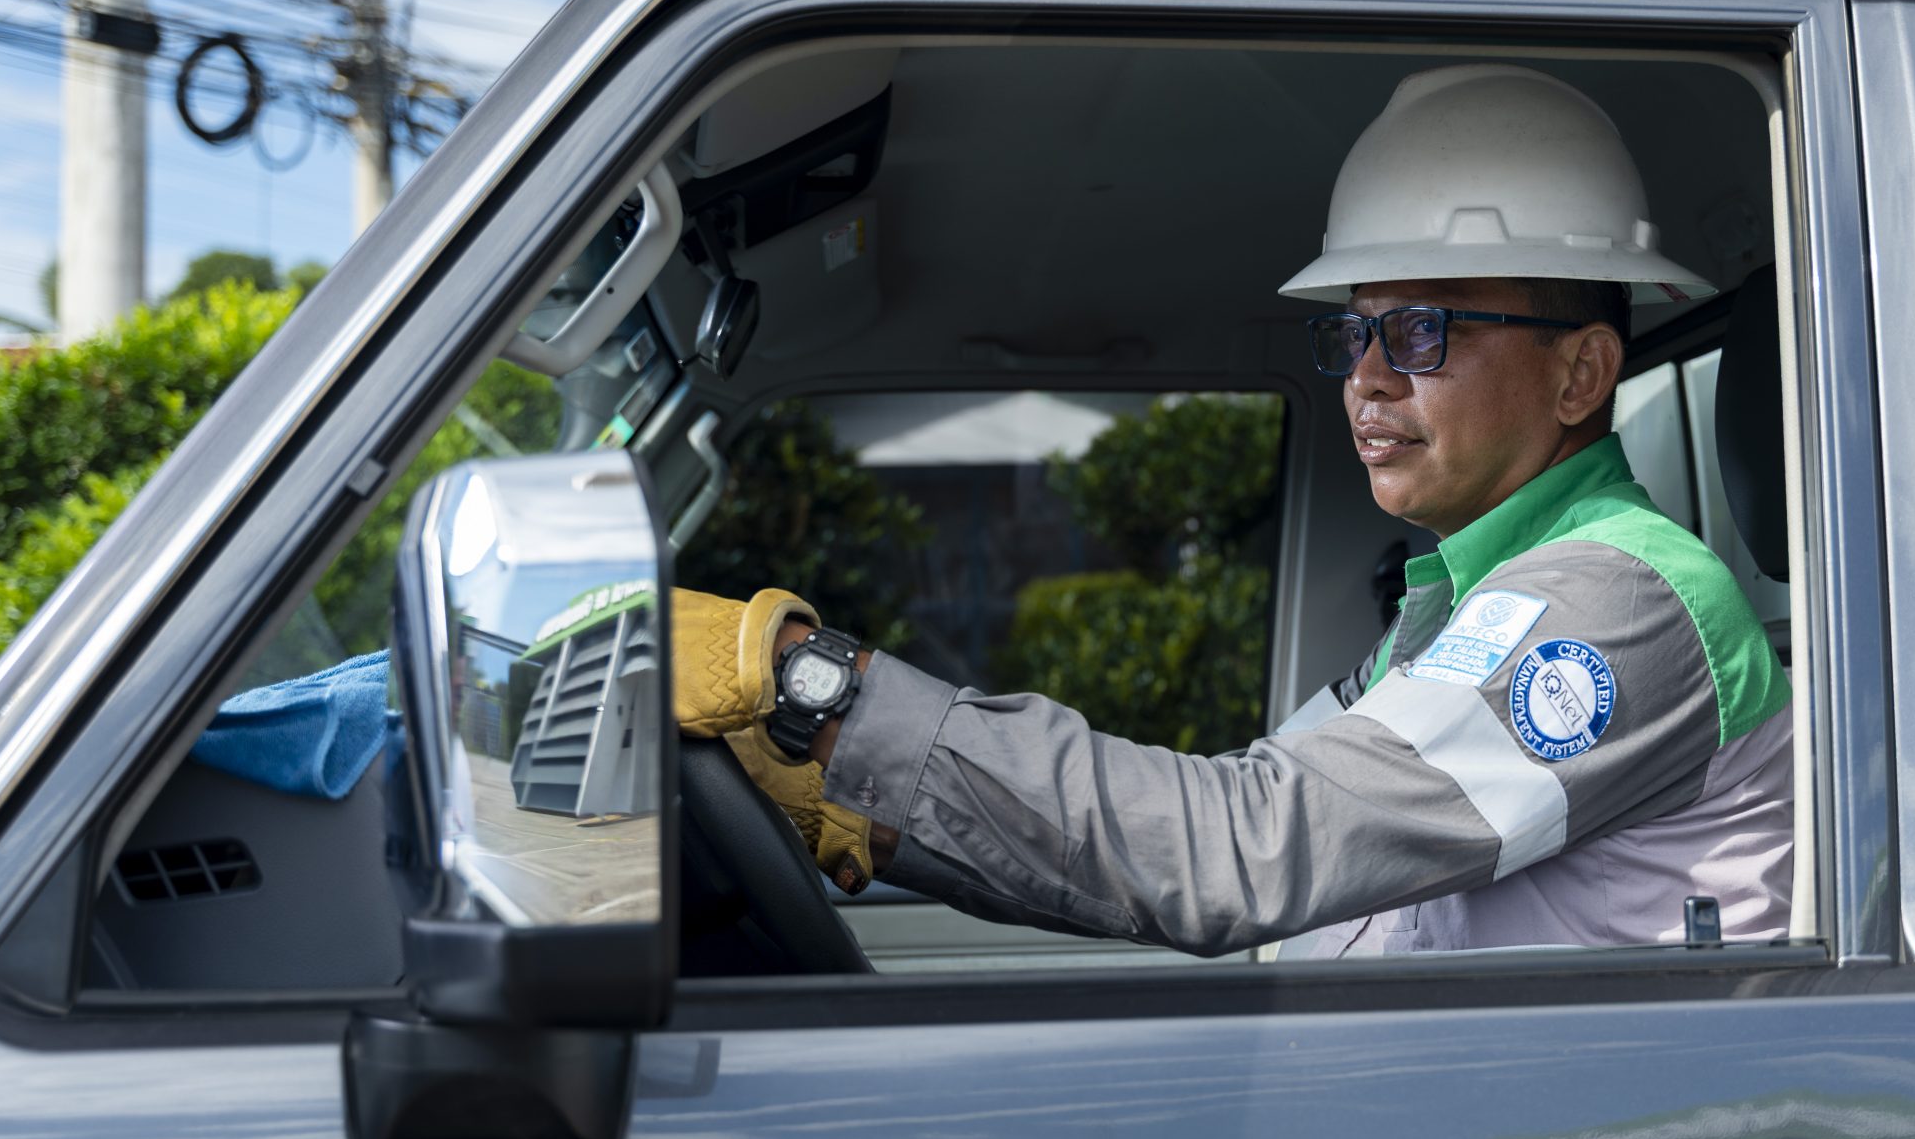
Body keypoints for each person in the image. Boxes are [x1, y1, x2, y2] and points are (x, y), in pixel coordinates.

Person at [673, 64, 1794, 957]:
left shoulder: (1613, 600)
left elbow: (1242, 852)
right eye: (1356, 334)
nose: (1366, 379)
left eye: (1421, 333)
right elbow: (1242, 818)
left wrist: (820, 696)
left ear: (1581, 374)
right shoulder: (1464, 604)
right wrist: (868, 802)